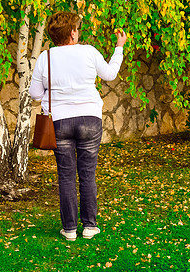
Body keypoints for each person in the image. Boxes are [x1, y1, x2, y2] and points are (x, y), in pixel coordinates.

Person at [29, 12, 127, 241]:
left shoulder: (46, 58)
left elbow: (34, 93)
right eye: (77, 28)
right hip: (89, 120)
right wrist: (119, 47)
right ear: (72, 33)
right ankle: (90, 226)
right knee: (87, 174)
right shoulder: (88, 51)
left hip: (59, 121)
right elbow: (110, 74)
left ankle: (70, 229)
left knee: (65, 175)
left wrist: (53, 92)